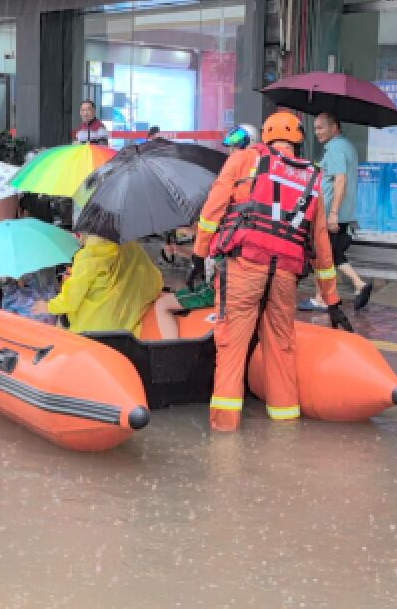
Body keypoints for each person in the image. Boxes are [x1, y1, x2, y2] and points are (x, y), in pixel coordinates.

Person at [190, 110, 350, 432]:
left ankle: (225, 430)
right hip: (285, 275)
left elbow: (212, 211)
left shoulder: (244, 160)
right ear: (298, 140)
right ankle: (284, 427)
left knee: (232, 345)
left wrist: (198, 255)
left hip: (244, 267)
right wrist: (332, 302)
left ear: (265, 135)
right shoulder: (312, 177)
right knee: (281, 347)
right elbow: (321, 245)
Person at [301, 112, 372, 312]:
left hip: (332, 213)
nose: (316, 132)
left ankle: (322, 298)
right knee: (332, 254)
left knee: (322, 255)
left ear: (334, 127)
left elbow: (340, 180)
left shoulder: (335, 148)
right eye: (315, 128)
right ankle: (359, 285)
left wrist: (333, 213)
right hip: (341, 212)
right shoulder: (347, 146)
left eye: (320, 128)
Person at [32, 235, 162, 335]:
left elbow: (70, 301)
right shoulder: (132, 247)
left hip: (92, 331)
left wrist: (47, 306)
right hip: (128, 328)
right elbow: (155, 282)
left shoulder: (89, 255)